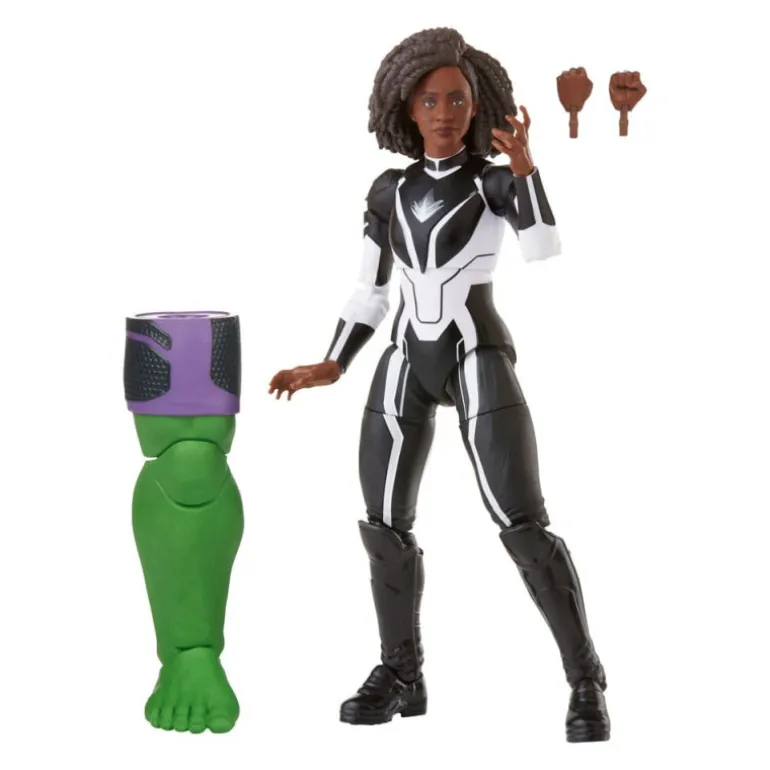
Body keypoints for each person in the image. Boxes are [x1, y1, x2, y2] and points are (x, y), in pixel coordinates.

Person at [269, 27, 610, 743]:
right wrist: (333, 362)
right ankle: (402, 673)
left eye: (457, 99)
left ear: (477, 103)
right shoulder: (389, 190)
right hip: (404, 357)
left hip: (474, 351)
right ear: (406, 107)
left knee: (522, 524)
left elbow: (543, 248)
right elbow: (369, 290)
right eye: (429, 100)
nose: (444, 112)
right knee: (382, 525)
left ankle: (585, 681)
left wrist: (526, 170)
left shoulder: (492, 181)